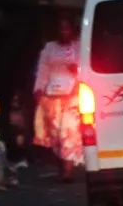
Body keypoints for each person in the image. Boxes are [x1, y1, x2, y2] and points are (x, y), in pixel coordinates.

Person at [33, 16, 84, 180]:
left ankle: (68, 171)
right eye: (60, 29)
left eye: (66, 28)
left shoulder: (79, 47)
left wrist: (77, 70)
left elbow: (87, 69)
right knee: (55, 135)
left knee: (68, 132)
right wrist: (38, 90)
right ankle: (61, 169)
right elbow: (43, 69)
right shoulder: (49, 48)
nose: (63, 32)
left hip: (73, 95)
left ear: (71, 30)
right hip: (51, 96)